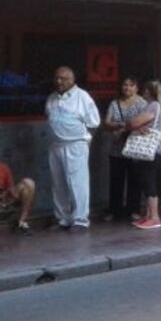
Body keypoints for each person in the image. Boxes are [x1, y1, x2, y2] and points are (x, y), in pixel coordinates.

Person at [46, 66, 101, 230]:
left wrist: (87, 140)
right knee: (58, 183)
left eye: (63, 78)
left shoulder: (82, 97)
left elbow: (94, 122)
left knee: (77, 183)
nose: (59, 81)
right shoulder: (52, 98)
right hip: (56, 145)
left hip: (76, 144)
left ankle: (80, 220)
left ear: (72, 80)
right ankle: (62, 218)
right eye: (56, 78)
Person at [127, 80, 161, 230]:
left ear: (149, 92)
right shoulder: (156, 106)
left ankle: (154, 217)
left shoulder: (154, 105)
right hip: (153, 150)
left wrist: (133, 124)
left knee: (149, 182)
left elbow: (134, 123)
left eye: (145, 89)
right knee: (146, 181)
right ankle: (148, 215)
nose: (143, 91)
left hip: (151, 150)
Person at [102, 76, 146, 221]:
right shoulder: (115, 103)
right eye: (124, 85)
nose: (127, 88)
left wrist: (130, 126)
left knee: (135, 179)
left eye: (131, 85)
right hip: (116, 148)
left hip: (135, 147)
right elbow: (107, 123)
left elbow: (146, 123)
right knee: (116, 180)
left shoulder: (142, 103)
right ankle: (115, 210)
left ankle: (134, 210)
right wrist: (122, 125)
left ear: (136, 87)